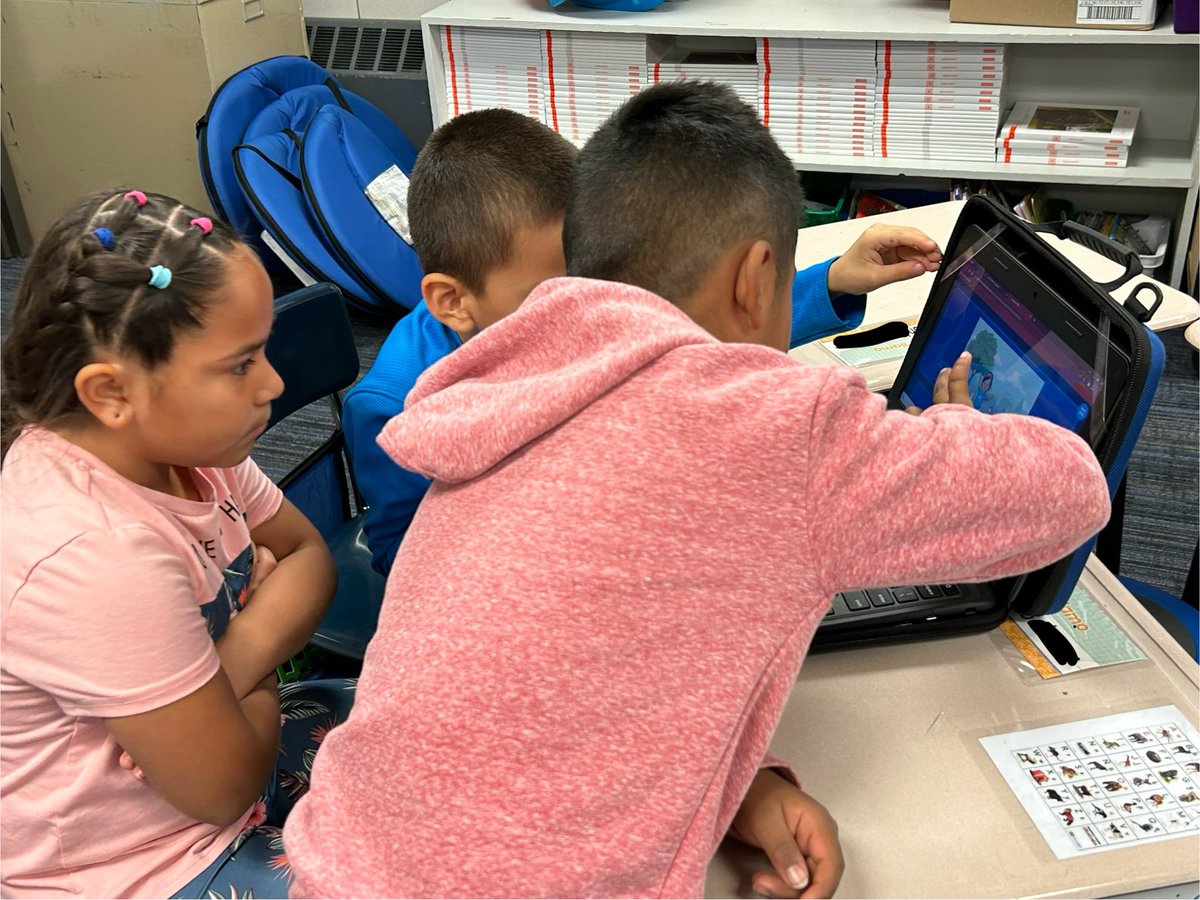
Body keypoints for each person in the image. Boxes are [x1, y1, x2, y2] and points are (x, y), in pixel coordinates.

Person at [283, 82, 1110, 898]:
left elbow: (578, 666)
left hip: (338, 859)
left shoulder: (496, 384)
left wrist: (743, 779)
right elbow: (1072, 488)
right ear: (755, 278)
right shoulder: (781, 435)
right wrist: (958, 431)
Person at [344, 108, 942, 576]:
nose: (585, 303)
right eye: (552, 287)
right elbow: (409, 565)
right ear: (453, 301)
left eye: (589, 275)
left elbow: (683, 330)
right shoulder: (395, 406)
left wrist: (831, 281)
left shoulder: (572, 306)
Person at [0, 188, 354, 899]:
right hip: (139, 866)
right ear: (110, 393)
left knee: (433, 726)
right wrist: (260, 633)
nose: (274, 384)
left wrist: (230, 667)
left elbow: (311, 559)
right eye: (240, 364)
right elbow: (220, 790)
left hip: (219, 751)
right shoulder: (93, 550)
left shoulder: (194, 446)